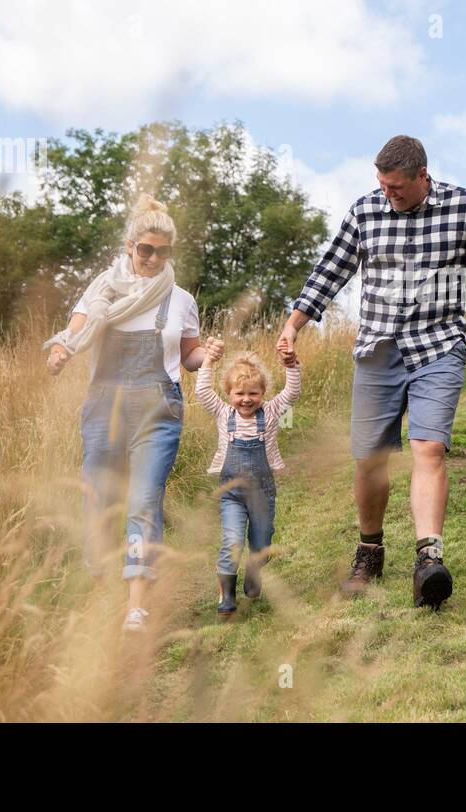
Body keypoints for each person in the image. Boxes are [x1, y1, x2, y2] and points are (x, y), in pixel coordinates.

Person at [276, 134, 466, 610]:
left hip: (438, 345)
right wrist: (293, 326)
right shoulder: (365, 212)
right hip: (377, 349)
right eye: (383, 186)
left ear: (422, 177)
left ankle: (429, 559)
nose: (389, 195)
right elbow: (330, 272)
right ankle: (370, 550)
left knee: (429, 448)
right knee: (369, 458)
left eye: (398, 189)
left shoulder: (463, 207)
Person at [44, 194, 203, 633]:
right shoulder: (101, 289)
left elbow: (188, 355)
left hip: (158, 406)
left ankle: (136, 603)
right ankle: (101, 592)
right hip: (103, 405)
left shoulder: (180, 299)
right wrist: (61, 351)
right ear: (130, 247)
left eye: (162, 252)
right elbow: (75, 330)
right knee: (98, 500)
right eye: (144, 250)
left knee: (143, 501)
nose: (152, 259)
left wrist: (207, 356)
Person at [195, 338, 302, 616]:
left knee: (262, 543)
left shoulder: (272, 411)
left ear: (263, 392)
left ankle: (254, 570)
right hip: (231, 493)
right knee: (232, 542)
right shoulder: (222, 413)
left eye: (253, 393)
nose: (246, 399)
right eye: (239, 393)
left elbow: (292, 392)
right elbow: (203, 390)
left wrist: (291, 365)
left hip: (263, 492)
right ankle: (226, 597)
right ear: (229, 393)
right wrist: (208, 361)